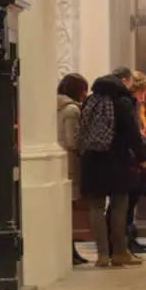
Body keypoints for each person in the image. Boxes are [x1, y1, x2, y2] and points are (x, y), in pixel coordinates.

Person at [78, 66, 146, 267]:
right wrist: (143, 158)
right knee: (119, 206)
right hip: (116, 161)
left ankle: (102, 255)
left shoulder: (91, 99)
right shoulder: (123, 101)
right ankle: (120, 252)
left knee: (95, 207)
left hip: (91, 160)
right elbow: (132, 134)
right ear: (125, 81)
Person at [118, 71, 146, 254]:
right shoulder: (128, 107)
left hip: (134, 161)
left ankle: (128, 239)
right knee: (126, 204)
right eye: (141, 92)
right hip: (129, 162)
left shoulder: (136, 108)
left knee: (131, 203)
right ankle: (124, 241)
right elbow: (132, 136)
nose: (143, 98)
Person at [56, 72, 90, 266]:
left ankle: (69, 249)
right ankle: (69, 249)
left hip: (60, 162)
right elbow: (73, 140)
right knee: (69, 209)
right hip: (70, 163)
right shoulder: (72, 110)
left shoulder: (55, 107)